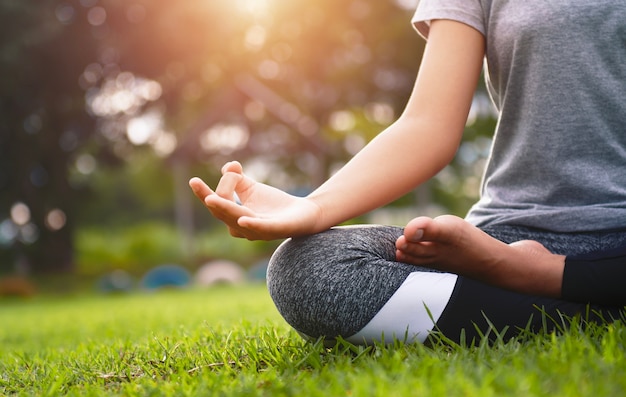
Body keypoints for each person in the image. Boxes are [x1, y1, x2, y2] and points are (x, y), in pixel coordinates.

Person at [189, 0, 626, 345]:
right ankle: (601, 308)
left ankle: (538, 281)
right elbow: (427, 125)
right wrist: (314, 207)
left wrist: (524, 271)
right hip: (504, 238)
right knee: (306, 269)